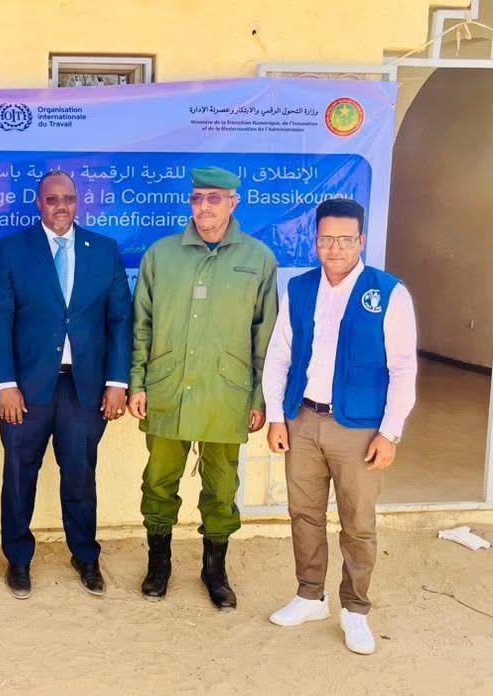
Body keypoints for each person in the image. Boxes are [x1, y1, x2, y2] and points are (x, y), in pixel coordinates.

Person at [263, 198, 417, 655]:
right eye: (326, 239)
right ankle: (310, 596)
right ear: (315, 241)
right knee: (304, 514)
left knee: (358, 523)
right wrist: (277, 416)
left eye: (345, 239)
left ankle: (355, 609)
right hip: (303, 420)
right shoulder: (300, 288)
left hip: (360, 429)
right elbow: (279, 355)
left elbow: (403, 368)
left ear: (361, 240)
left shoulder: (388, 292)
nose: (334, 248)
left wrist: (390, 432)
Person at [127, 166, 278, 610]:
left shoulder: (258, 259)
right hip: (168, 389)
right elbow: (141, 326)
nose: (204, 206)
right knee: (159, 480)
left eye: (215, 198)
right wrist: (137, 383)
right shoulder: (162, 255)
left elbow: (265, 335)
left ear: (234, 202)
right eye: (197, 198)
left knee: (222, 485)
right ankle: (159, 564)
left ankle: (215, 570)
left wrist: (259, 398)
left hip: (226, 394)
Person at [0, 170, 132, 599]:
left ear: (78, 202)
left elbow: (120, 320)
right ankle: (18, 559)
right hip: (25, 390)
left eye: (68, 198)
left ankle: (85, 556)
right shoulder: (13, 250)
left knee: (81, 475)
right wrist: (6, 385)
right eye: (52, 199)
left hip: (84, 388)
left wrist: (117, 382)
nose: (61, 206)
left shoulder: (104, 250)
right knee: (19, 475)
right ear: (39, 203)